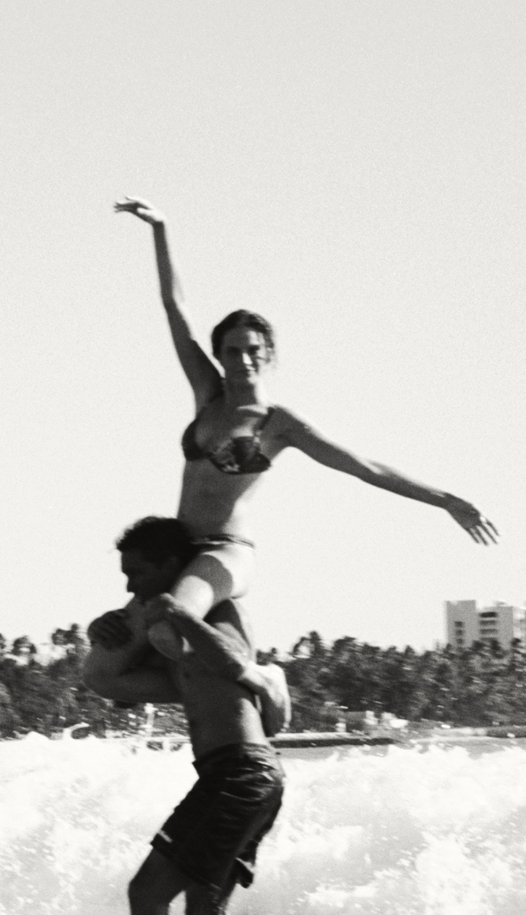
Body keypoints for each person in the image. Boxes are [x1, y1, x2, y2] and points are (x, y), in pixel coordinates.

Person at [114, 199, 495, 630]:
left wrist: (445, 500)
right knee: (105, 671)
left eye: (253, 350)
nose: (243, 359)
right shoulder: (208, 394)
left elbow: (364, 467)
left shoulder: (279, 424)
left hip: (224, 551)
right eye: (232, 351)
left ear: (269, 354)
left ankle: (263, 682)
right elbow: (174, 308)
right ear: (219, 355)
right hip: (179, 549)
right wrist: (160, 229)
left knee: (173, 623)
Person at [76, 516, 302, 915]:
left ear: (173, 568)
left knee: (147, 894)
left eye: (139, 574)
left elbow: (234, 665)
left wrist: (178, 612)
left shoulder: (220, 613)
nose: (131, 587)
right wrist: (106, 634)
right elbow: (114, 685)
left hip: (243, 772)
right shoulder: (170, 642)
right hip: (233, 774)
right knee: (205, 909)